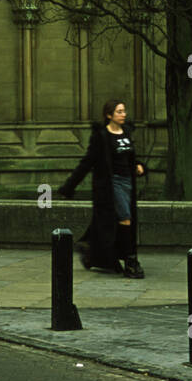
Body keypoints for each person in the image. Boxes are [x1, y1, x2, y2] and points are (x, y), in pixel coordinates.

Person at [59, 100, 147, 278]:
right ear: (109, 115)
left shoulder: (126, 132)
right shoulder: (101, 137)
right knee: (125, 219)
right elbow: (87, 162)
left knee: (109, 224)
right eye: (119, 111)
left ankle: (92, 252)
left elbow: (129, 156)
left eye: (124, 111)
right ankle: (131, 261)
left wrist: (138, 165)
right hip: (111, 184)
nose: (124, 114)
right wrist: (69, 186)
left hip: (127, 182)